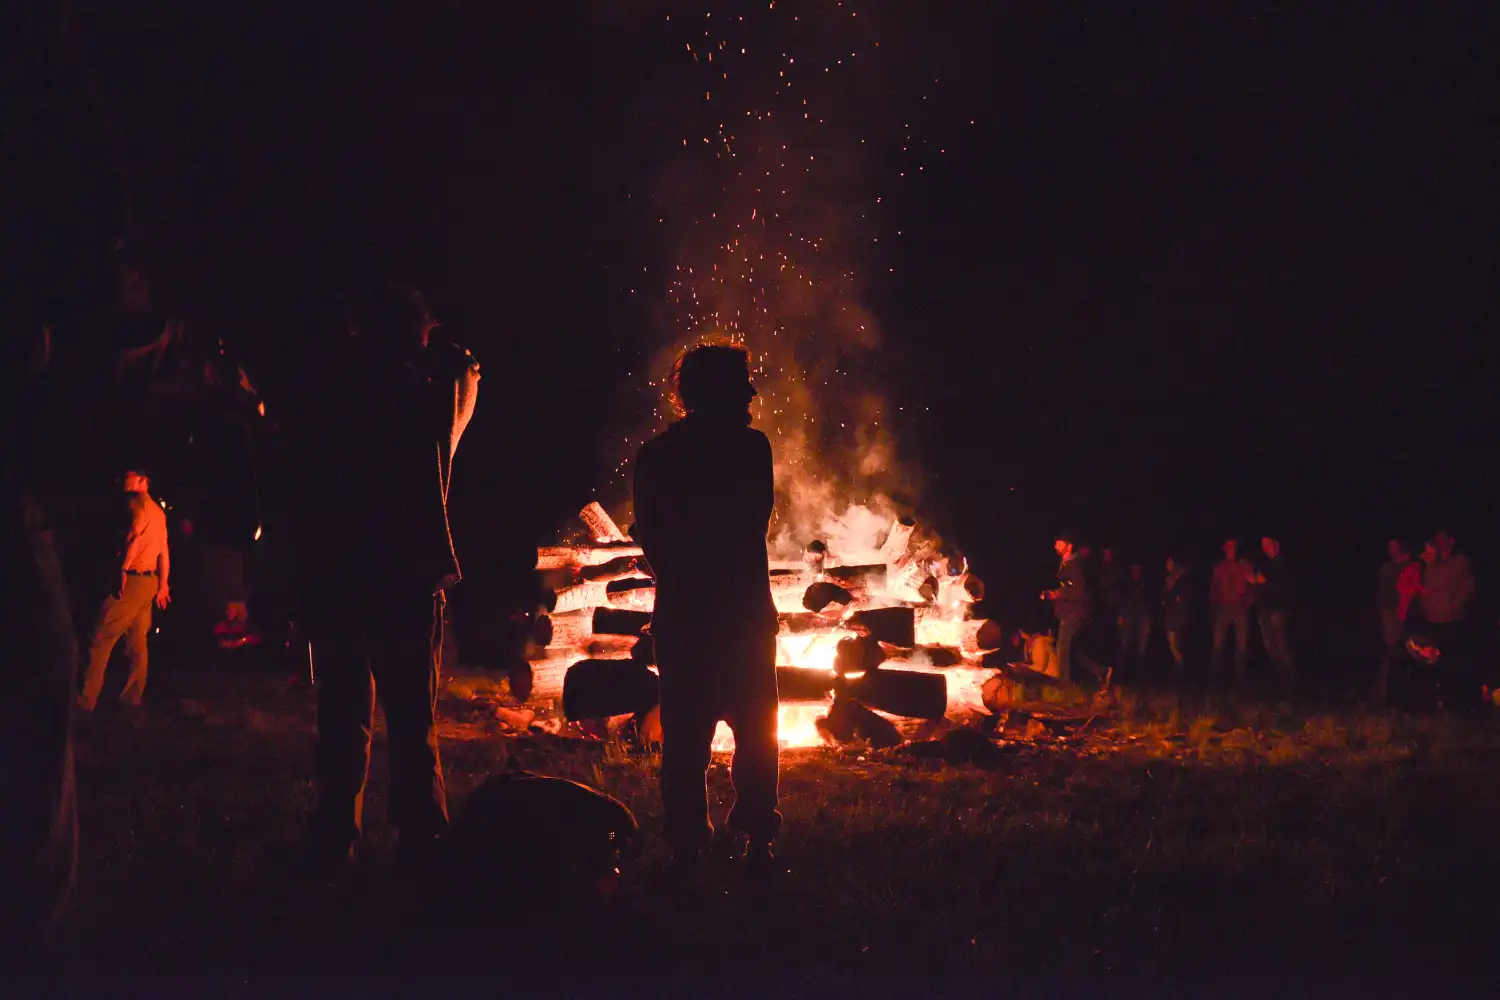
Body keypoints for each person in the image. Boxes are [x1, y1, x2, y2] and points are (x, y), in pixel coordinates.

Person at [285, 285, 480, 872]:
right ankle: (422, 836)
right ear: (408, 329)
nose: (431, 331)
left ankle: (336, 835)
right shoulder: (419, 393)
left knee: (342, 710)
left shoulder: (329, 390)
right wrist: (459, 363)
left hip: (339, 572)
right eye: (425, 323)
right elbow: (457, 410)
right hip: (402, 571)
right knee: (412, 718)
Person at [632, 342, 781, 874]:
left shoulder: (655, 457)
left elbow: (650, 536)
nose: (752, 393)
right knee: (757, 733)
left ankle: (687, 842)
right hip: (741, 613)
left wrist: (679, 575)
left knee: (686, 738)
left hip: (685, 614)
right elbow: (752, 523)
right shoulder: (750, 449)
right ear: (722, 389)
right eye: (743, 383)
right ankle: (758, 836)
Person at [77, 467, 171, 711]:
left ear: (142, 481)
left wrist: (122, 569)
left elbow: (135, 535)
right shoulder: (159, 512)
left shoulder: (135, 503)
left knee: (100, 636)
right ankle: (131, 699)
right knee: (137, 642)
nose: (122, 480)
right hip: (149, 582)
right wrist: (162, 584)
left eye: (128, 476)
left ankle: (86, 699)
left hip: (132, 580)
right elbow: (164, 551)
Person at [1420, 530, 1478, 709]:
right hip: (1433, 619)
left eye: (1442, 539)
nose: (1439, 542)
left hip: (1454, 619)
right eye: (1437, 539)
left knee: (1454, 659)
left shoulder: (1460, 562)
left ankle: (1458, 699)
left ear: (1451, 541)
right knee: (1435, 660)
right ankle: (1438, 698)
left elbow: (1468, 587)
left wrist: (1455, 606)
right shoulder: (1432, 563)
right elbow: (1426, 587)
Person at [1041, 530, 1092, 683]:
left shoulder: (1075, 565)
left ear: (1069, 546)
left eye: (1060, 543)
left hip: (1073, 612)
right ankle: (1101, 671)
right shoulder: (1065, 563)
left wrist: (1057, 593)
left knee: (1063, 648)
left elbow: (1078, 590)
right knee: (1072, 649)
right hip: (1067, 611)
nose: (1056, 545)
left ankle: (1064, 684)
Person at [1250, 536, 1296, 687]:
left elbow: (1281, 585)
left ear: (1275, 544)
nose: (1264, 547)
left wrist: (1265, 581)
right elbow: (1259, 585)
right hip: (1264, 609)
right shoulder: (1265, 564)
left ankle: (1290, 679)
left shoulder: (1282, 563)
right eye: (1263, 544)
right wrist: (1255, 582)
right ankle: (1280, 677)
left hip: (1278, 609)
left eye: (1267, 544)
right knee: (1269, 644)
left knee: (1280, 643)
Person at [1209, 538, 1255, 682]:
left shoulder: (1245, 565)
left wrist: (1246, 603)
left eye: (1232, 547)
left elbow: (1252, 587)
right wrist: (1213, 607)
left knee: (1241, 645)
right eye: (1227, 547)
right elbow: (1214, 588)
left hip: (1240, 609)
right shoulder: (1220, 567)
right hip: (1223, 609)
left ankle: (1240, 677)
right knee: (1218, 643)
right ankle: (1215, 676)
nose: (1229, 550)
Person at [1116, 563, 1152, 675]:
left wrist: (1148, 618)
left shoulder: (1145, 583)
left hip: (1141, 616)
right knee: (1125, 645)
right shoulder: (1125, 583)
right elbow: (1121, 600)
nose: (1136, 571)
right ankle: (1123, 674)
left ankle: (1140, 674)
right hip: (1128, 615)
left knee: (1141, 647)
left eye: (1138, 569)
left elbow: (1149, 601)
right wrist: (1121, 615)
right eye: (1134, 568)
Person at [1161, 556, 1191, 679]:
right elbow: (1165, 596)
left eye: (1169, 562)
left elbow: (1181, 598)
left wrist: (1173, 588)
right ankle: (1178, 670)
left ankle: (1181, 673)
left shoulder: (1183, 578)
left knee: (1177, 645)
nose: (1167, 564)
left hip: (1179, 616)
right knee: (1171, 644)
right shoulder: (1169, 578)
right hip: (1170, 615)